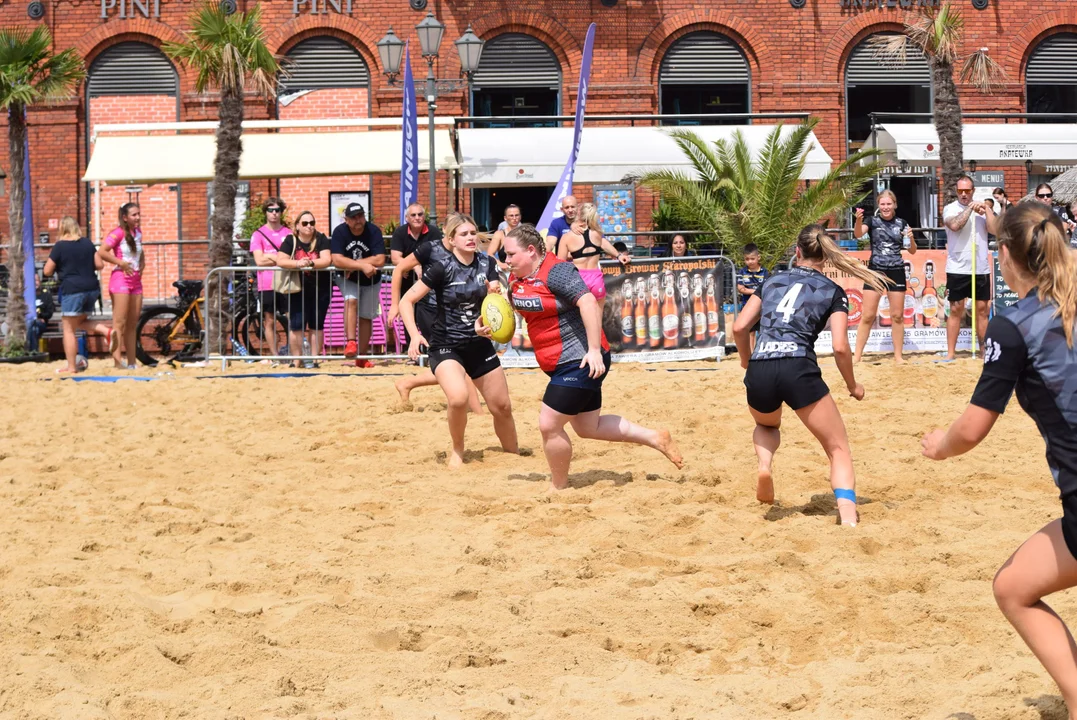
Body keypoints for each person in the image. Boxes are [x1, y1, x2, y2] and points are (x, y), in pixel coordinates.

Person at [920, 202, 1077, 713]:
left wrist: (939, 445)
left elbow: (972, 429)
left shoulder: (1014, 327)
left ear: (1004, 255)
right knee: (1014, 584)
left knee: (1012, 591)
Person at [503, 224, 682, 491]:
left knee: (549, 424)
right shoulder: (517, 278)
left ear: (530, 251)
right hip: (556, 360)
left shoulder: (557, 270)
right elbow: (514, 314)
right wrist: (487, 326)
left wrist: (594, 350)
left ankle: (559, 487)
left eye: (510, 254)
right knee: (589, 426)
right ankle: (656, 437)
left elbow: (587, 301)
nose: (505, 260)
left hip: (582, 358)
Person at [732, 224, 887, 527]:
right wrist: (852, 385)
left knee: (766, 425)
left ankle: (765, 465)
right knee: (837, 448)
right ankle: (848, 517)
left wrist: (746, 360)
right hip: (798, 367)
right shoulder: (833, 291)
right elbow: (841, 347)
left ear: (797, 251)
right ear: (826, 257)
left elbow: (739, 327)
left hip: (762, 364)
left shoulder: (772, 280)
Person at [399, 213, 519, 469]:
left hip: (478, 343)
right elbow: (406, 300)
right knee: (457, 398)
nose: (470, 238)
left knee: (502, 407)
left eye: (473, 233)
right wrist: (414, 335)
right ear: (451, 240)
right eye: (463, 234)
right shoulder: (441, 267)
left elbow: (495, 300)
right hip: (445, 344)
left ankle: (513, 454)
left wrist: (495, 297)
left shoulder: (486, 263)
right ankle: (457, 451)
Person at [387, 213, 482, 413]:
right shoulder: (431, 248)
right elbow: (399, 269)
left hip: (455, 312)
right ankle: (477, 411)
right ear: (450, 234)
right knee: (456, 361)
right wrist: (395, 304)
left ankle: (408, 383)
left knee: (458, 362)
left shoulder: (469, 252)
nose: (466, 235)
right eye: (460, 230)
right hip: (431, 310)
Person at [43, 216, 115, 373]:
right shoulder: (87, 243)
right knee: (80, 321)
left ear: (62, 228)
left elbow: (47, 271)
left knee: (68, 329)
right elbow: (100, 265)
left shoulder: (60, 246)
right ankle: (106, 331)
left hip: (73, 289)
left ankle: (71, 367)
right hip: (91, 288)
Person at [852, 190, 917, 364]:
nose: (886, 207)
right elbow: (858, 234)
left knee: (897, 316)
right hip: (876, 270)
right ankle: (857, 356)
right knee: (867, 315)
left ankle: (898, 356)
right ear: (878, 205)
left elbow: (912, 250)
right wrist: (858, 220)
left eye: (889, 204)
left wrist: (911, 239)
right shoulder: (871, 221)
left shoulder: (901, 223)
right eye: (882, 204)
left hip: (896, 270)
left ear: (894, 205)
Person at [940, 175, 997, 361]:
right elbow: (955, 225)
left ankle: (983, 352)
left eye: (967, 191)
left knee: (982, 310)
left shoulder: (981, 208)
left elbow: (995, 230)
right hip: (957, 267)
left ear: (973, 191)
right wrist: (970, 210)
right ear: (956, 192)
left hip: (980, 267)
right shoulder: (950, 209)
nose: (964, 194)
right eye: (960, 191)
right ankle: (950, 353)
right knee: (956, 310)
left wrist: (986, 209)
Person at [556, 202, 630, 325]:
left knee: (578, 321)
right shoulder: (597, 234)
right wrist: (619, 255)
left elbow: (560, 263)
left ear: (579, 214)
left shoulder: (567, 237)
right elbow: (605, 244)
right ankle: (598, 343)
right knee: (597, 322)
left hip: (578, 279)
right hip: (596, 278)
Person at [330, 203, 385, 367]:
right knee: (351, 300)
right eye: (353, 217)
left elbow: (380, 259)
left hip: (371, 279)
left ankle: (361, 356)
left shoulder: (373, 231)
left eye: (360, 216)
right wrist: (363, 266)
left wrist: (353, 265)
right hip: (347, 277)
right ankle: (351, 342)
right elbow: (337, 259)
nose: (358, 220)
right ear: (346, 220)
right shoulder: (340, 232)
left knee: (367, 316)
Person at [277, 210, 332, 368]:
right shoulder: (290, 240)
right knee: (296, 326)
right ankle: (297, 360)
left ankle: (314, 361)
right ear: (297, 226)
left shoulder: (321, 239)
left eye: (312, 223)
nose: (309, 226)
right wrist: (297, 263)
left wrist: (311, 263)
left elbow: (327, 259)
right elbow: (281, 260)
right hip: (297, 289)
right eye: (305, 223)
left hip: (319, 287)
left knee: (316, 325)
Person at [97, 202, 144, 369]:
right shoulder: (117, 233)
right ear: (125, 218)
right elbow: (102, 252)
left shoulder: (138, 233)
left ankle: (132, 362)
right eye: (134, 215)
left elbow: (140, 254)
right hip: (120, 279)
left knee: (132, 324)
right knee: (119, 323)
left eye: (139, 214)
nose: (138, 217)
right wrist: (121, 263)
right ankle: (117, 363)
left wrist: (141, 270)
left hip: (136, 280)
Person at [390, 203, 443, 347]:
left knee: (429, 316)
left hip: (428, 282)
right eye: (413, 215)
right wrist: (414, 266)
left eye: (420, 214)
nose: (417, 218)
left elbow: (440, 256)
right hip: (407, 281)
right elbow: (395, 258)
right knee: (409, 315)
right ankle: (412, 349)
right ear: (407, 218)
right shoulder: (400, 232)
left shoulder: (434, 232)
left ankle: (431, 348)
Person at [248, 197, 291, 359]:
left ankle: (294, 353)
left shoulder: (288, 233)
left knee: (292, 318)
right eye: (270, 210)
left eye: (277, 210)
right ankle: (275, 356)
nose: (274, 213)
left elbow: (291, 258)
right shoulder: (258, 234)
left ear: (281, 212)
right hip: (266, 283)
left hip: (287, 282)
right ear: (265, 212)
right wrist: (277, 258)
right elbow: (259, 261)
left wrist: (271, 257)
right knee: (270, 320)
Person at [736, 243, 770, 353]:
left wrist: (750, 291)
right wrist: (756, 292)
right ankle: (751, 354)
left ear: (758, 257)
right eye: (747, 259)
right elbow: (741, 288)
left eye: (752, 258)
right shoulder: (742, 272)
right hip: (747, 307)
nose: (750, 261)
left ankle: (761, 352)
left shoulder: (765, 272)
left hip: (762, 307)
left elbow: (766, 288)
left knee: (762, 331)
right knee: (749, 332)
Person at [1035, 183, 1077, 248]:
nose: (1045, 198)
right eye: (1041, 196)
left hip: (1057, 247)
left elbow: (1062, 229)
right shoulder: (1032, 212)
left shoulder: (1060, 210)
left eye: (1048, 195)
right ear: (1036, 197)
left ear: (1052, 196)